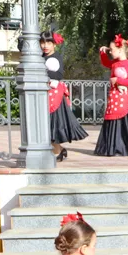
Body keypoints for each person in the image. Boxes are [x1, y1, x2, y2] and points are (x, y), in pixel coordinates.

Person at [43, 31, 87, 161]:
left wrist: (44, 76)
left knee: (53, 126)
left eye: (48, 42)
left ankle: (57, 151)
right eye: (42, 42)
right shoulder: (41, 57)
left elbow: (58, 75)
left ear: (54, 44)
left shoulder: (56, 58)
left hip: (54, 97)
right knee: (47, 126)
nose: (45, 45)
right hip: (45, 96)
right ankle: (59, 150)